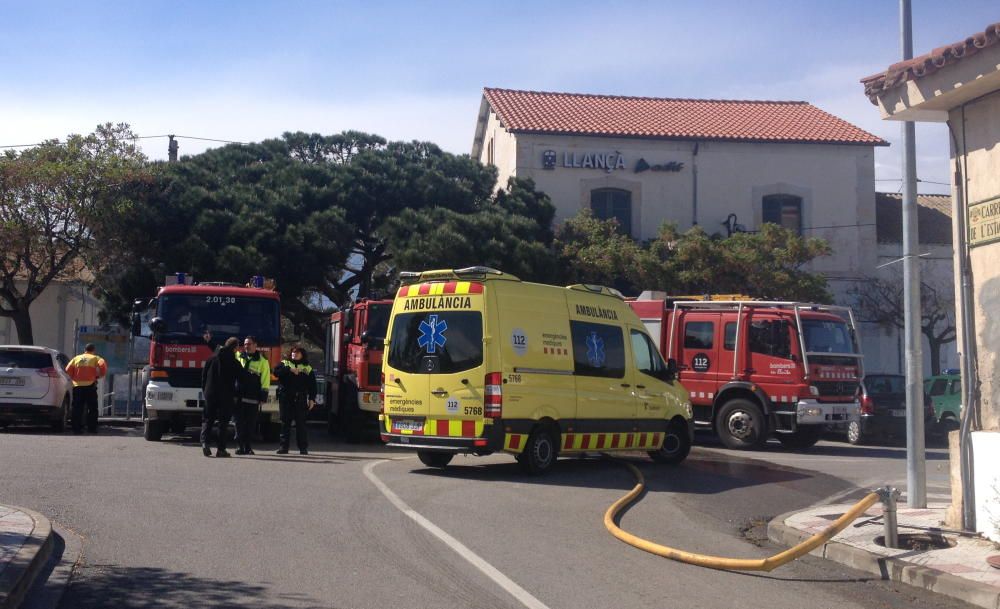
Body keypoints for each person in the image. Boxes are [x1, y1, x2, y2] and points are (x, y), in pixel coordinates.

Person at [201, 337, 241, 457]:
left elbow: (204, 376)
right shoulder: (234, 362)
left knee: (208, 420)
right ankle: (221, 449)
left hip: (210, 394)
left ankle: (205, 443)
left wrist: (205, 391)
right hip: (226, 396)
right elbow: (242, 377)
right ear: (235, 348)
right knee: (223, 423)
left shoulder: (211, 358)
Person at [273, 346, 317, 455]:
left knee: (301, 424)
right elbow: (276, 372)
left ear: (302, 355)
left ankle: (303, 448)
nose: (294, 354)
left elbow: (312, 386)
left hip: (300, 399)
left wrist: (312, 399)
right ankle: (283, 447)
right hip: (286, 398)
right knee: (285, 423)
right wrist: (289, 370)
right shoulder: (285, 363)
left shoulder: (307, 368)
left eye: (297, 353)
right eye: (293, 352)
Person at [235, 336, 271, 455]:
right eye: (245, 344)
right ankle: (239, 446)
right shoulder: (238, 356)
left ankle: (248, 447)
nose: (246, 346)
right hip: (239, 395)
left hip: (253, 397)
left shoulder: (263, 361)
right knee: (239, 422)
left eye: (249, 344)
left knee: (250, 423)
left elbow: (265, 380)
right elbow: (223, 354)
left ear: (255, 345)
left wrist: (263, 396)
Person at [65, 343, 108, 434]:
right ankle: (91, 428)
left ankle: (76, 429)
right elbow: (103, 365)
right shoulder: (96, 358)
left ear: (85, 349)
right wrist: (99, 375)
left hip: (77, 386)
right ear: (93, 350)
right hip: (90, 386)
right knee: (92, 408)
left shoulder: (76, 358)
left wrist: (74, 377)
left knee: (77, 408)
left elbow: (67, 369)